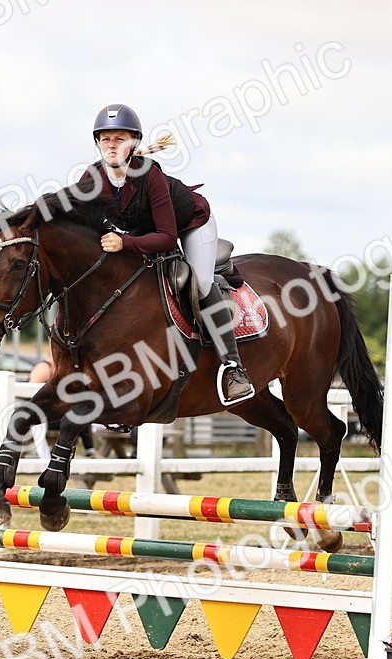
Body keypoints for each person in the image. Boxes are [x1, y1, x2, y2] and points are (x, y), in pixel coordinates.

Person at [76, 103, 254, 405]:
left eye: (119, 138)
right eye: (105, 139)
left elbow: (167, 237)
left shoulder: (150, 175)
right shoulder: (91, 178)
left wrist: (125, 244)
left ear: (133, 143)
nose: (111, 144)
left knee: (200, 282)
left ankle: (233, 367)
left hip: (190, 223)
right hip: (143, 232)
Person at [29, 356, 97, 458]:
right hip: (39, 415)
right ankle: (89, 450)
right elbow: (31, 394)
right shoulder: (44, 368)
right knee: (77, 419)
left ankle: (58, 454)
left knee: (78, 418)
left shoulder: (62, 371)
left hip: (48, 414)